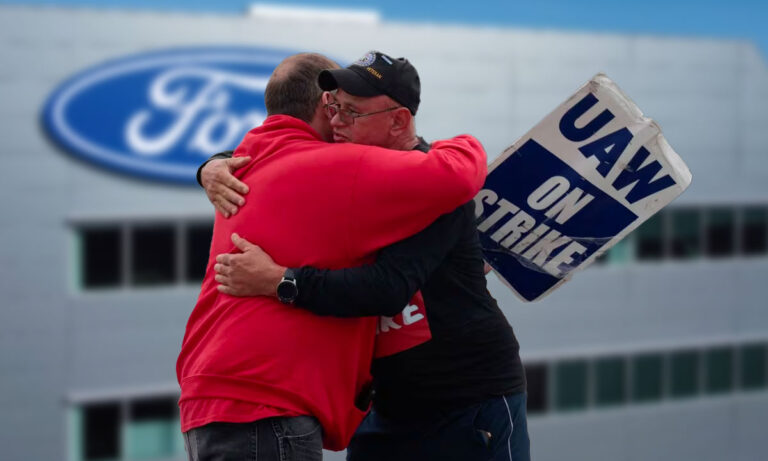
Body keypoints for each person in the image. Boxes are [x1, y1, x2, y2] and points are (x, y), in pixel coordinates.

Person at [201, 51, 529, 461]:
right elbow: (273, 152)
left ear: (398, 121)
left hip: (464, 395)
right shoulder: (343, 172)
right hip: (384, 405)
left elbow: (387, 287)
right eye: (334, 108)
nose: (336, 122)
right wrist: (212, 167)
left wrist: (279, 281)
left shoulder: (430, 182)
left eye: (351, 112)